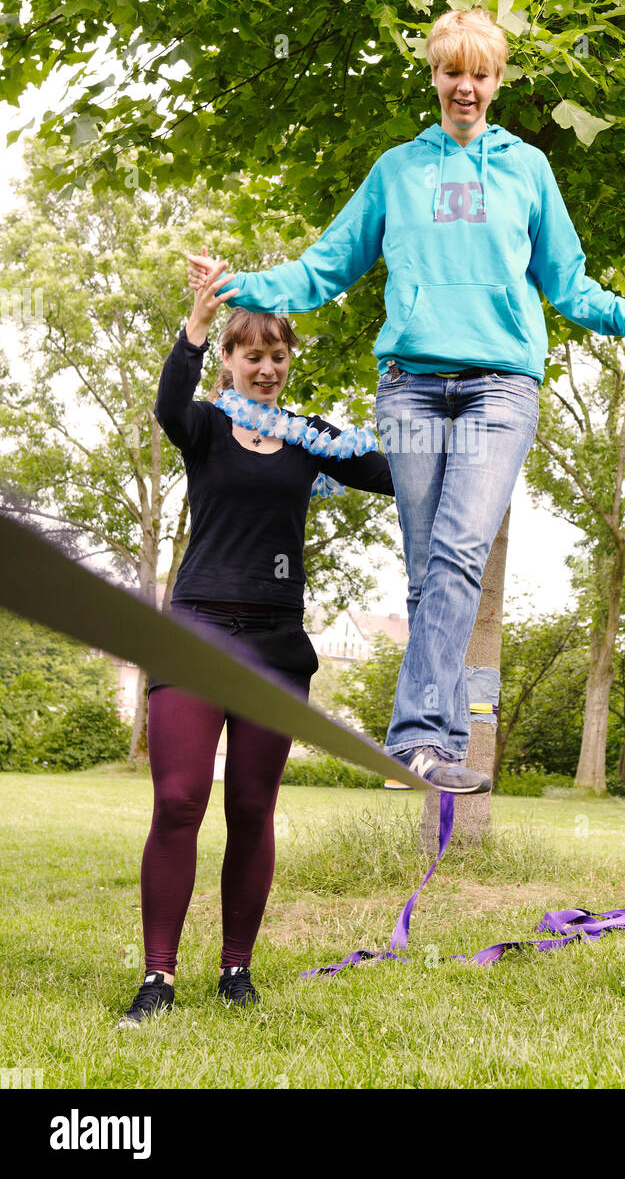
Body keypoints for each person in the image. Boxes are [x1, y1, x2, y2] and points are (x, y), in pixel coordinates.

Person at [188, 8, 625, 794]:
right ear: (435, 76)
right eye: (453, 72)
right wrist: (236, 285)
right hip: (411, 386)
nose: (466, 87)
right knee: (426, 570)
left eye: (480, 74)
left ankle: (414, 734)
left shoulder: (527, 170)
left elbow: (569, 285)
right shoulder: (397, 170)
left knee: (456, 551)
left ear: (498, 80)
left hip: (499, 388)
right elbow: (323, 269)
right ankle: (440, 744)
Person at [118, 262, 394, 1027]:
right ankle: (158, 977)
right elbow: (169, 402)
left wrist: (430, 402)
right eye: (253, 355)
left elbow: (392, 473)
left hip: (276, 642)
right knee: (178, 802)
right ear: (233, 362)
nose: (267, 369)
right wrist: (196, 330)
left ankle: (236, 968)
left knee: (250, 806)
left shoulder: (309, 440)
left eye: (278, 356)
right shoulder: (204, 426)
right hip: (199, 629)